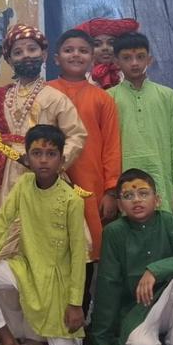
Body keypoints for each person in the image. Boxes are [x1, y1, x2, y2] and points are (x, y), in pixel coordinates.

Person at [0, 25, 86, 262]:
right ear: (8, 60)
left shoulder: (55, 98)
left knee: (40, 246)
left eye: (31, 49)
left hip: (41, 174)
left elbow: (76, 135)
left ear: (43, 55)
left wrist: (56, 164)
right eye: (18, 52)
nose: (26, 55)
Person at [0, 124, 88, 345]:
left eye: (51, 154)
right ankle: (8, 342)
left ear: (61, 159)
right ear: (27, 157)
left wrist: (75, 304)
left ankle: (76, 340)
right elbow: (1, 221)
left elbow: (78, 255)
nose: (43, 160)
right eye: (37, 153)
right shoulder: (23, 185)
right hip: (25, 267)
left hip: (55, 281)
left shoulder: (72, 200)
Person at [87, 168, 173, 345]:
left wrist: (155, 270)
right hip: (136, 313)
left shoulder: (169, 221)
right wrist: (101, 338)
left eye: (143, 193)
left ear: (157, 200)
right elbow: (108, 285)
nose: (136, 200)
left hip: (169, 303)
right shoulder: (114, 232)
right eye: (128, 196)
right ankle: (155, 340)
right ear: (120, 205)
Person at [46, 29, 123, 279]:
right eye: (69, 50)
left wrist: (111, 191)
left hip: (90, 186)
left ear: (92, 58)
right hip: (49, 182)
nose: (76, 55)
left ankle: (83, 302)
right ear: (56, 58)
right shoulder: (44, 92)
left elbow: (111, 147)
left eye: (83, 51)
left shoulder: (102, 99)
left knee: (88, 250)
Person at [112, 32, 173, 215]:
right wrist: (110, 191)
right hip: (123, 177)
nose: (134, 63)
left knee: (163, 226)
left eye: (140, 57)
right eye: (127, 58)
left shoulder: (166, 95)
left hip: (162, 176)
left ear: (150, 59)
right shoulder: (109, 97)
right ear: (116, 62)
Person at [75, 17, 139, 89]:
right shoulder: (81, 81)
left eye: (111, 43)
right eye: (97, 44)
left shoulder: (131, 76)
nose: (105, 48)